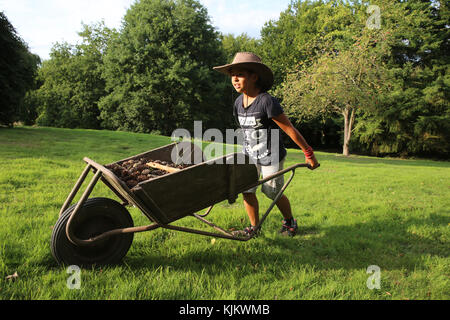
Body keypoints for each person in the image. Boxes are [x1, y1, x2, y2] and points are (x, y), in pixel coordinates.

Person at [213, 52, 319, 237]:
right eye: (232, 75)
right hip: (250, 154)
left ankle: (289, 222)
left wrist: (308, 154)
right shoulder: (238, 102)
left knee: (271, 191)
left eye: (240, 74)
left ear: (254, 77)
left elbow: (289, 129)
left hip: (272, 156)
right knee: (246, 190)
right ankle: (254, 229)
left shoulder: (267, 101)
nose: (235, 79)